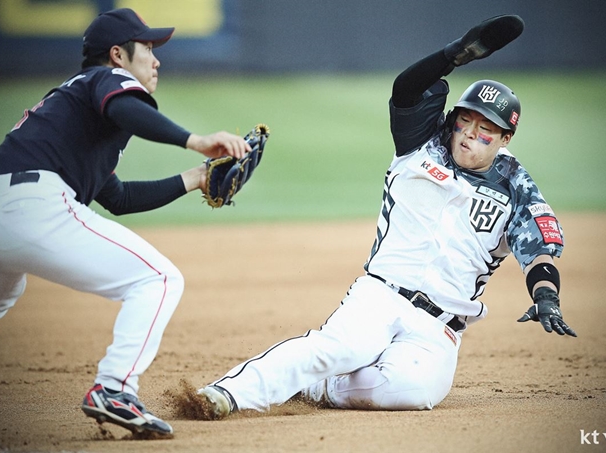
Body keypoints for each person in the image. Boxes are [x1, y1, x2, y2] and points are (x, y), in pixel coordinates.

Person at [179, 15, 576, 419]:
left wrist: (546, 296)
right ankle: (224, 394)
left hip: (439, 327)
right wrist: (452, 55)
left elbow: (540, 251)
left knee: (413, 391)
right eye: (465, 120)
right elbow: (405, 89)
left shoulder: (516, 188)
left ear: (506, 139)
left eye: (486, 128)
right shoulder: (422, 141)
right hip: (381, 295)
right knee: (339, 348)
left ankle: (323, 386)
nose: (470, 133)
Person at [0, 8, 252, 438]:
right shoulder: (105, 80)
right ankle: (115, 389)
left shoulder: (74, 105)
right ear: (118, 54)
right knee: (158, 279)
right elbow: (126, 107)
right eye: (148, 49)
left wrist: (196, 180)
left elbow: (117, 199)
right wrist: (194, 142)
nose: (156, 61)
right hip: (30, 206)